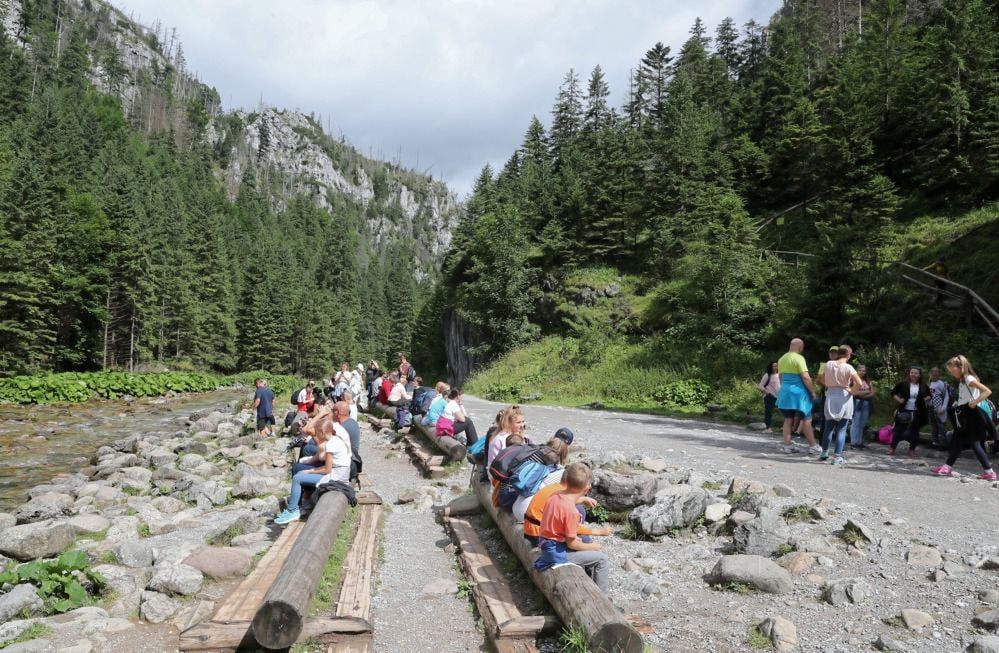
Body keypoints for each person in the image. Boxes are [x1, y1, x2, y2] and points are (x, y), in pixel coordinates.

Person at [532, 462, 611, 593]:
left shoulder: (554, 496)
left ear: (565, 481)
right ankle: (603, 598)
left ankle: (589, 583)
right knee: (602, 558)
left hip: (546, 544)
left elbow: (568, 499)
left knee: (584, 541)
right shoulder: (572, 512)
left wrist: (583, 500)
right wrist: (594, 547)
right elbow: (572, 543)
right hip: (556, 554)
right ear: (586, 488)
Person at [275, 415, 349, 524]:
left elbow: (327, 470)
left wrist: (309, 471)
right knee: (300, 473)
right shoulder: (336, 439)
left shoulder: (331, 445)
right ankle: (295, 507)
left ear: (322, 433)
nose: (315, 435)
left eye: (316, 432)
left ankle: (292, 511)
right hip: (339, 475)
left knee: (297, 478)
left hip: (336, 479)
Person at [932, 355, 996, 480]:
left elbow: (987, 391)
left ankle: (990, 472)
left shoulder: (968, 378)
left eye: (952, 370)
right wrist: (959, 403)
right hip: (966, 414)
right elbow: (967, 396)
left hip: (973, 415)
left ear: (960, 367)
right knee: (957, 441)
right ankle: (947, 467)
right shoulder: (963, 380)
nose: (951, 372)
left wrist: (974, 402)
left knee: (974, 443)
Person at [775, 338, 822, 455]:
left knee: (788, 419)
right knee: (806, 418)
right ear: (800, 346)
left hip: (785, 392)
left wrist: (784, 388)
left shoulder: (782, 358)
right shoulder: (799, 358)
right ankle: (813, 446)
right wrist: (812, 392)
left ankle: (787, 446)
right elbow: (805, 377)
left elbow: (780, 377)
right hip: (799, 393)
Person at [820, 346, 863, 465]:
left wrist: (829, 385)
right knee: (842, 429)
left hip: (831, 395)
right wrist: (852, 391)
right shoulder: (849, 367)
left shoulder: (828, 364)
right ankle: (837, 457)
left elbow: (822, 379)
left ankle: (824, 453)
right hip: (844, 396)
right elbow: (859, 383)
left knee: (828, 428)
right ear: (848, 355)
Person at [889, 367, 931, 457]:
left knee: (915, 431)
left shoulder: (923, 385)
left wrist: (924, 399)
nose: (913, 374)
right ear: (909, 374)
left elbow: (929, 396)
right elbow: (893, 393)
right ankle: (892, 448)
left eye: (916, 373)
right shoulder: (903, 384)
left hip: (917, 411)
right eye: (912, 372)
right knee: (899, 430)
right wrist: (899, 400)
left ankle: (912, 450)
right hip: (904, 410)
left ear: (919, 375)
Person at [849, 365, 875, 449]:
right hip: (857, 402)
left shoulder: (867, 381)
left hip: (866, 403)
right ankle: (853, 442)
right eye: (860, 370)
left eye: (864, 371)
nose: (862, 372)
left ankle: (859, 442)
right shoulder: (853, 380)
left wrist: (863, 394)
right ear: (857, 371)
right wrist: (866, 392)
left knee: (862, 423)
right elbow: (855, 393)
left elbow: (872, 392)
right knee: (855, 423)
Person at [928, 367, 952, 447]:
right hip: (930, 407)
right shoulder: (929, 384)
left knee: (941, 426)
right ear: (931, 374)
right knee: (934, 426)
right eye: (933, 372)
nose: (934, 374)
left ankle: (944, 443)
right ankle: (935, 442)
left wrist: (943, 408)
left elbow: (946, 396)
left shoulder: (941, 384)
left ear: (939, 374)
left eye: (936, 373)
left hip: (939, 408)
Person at [758, 362, 780, 432]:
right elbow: (760, 386)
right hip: (769, 396)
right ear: (770, 367)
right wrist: (766, 392)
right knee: (768, 412)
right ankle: (768, 427)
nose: (775, 367)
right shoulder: (767, 375)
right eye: (774, 366)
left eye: (776, 366)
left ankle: (785, 427)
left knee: (785, 411)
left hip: (779, 396)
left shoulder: (780, 375)